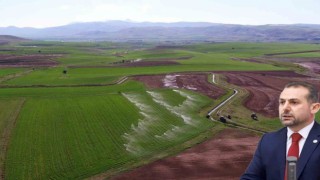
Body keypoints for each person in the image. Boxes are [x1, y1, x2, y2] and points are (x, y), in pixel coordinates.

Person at [241, 82, 320, 180]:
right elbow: (251, 177)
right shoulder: (268, 140)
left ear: (314, 108)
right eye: (282, 102)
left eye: (294, 102)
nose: (285, 108)